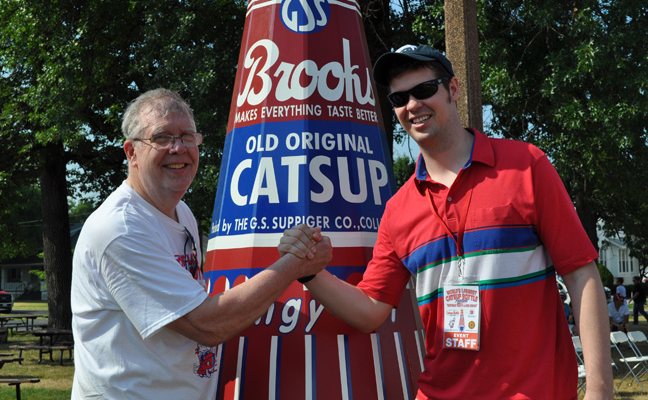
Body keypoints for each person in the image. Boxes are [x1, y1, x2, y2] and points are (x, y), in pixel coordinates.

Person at [280, 45, 613, 399]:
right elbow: (371, 310)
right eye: (399, 97)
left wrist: (600, 390)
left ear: (453, 90)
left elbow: (581, 275)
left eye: (424, 90)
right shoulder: (398, 209)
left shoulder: (526, 165)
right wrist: (311, 273)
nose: (412, 105)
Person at [70, 89, 330, 399]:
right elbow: (207, 324)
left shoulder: (182, 213)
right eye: (162, 138)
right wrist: (296, 263)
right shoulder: (121, 229)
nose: (178, 148)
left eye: (187, 137)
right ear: (131, 152)